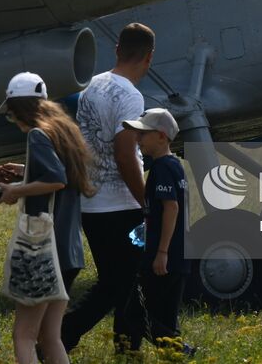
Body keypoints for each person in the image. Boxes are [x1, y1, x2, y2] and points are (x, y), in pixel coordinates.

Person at [61, 22, 155, 353]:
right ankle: (62, 336)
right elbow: (126, 153)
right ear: (149, 57)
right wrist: (146, 200)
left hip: (92, 203)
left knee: (126, 280)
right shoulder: (131, 96)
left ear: (117, 49)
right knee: (117, 283)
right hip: (122, 205)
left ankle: (128, 346)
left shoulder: (92, 87)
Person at [0, 71, 93, 364]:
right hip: (69, 252)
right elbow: (60, 176)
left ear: (20, 109)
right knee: (50, 337)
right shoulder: (62, 131)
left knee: (23, 336)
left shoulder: (38, 135)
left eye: (12, 115)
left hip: (43, 250)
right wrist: (25, 169)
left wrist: (15, 190)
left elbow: (55, 179)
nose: (14, 121)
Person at [121, 108, 192, 353]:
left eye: (143, 134)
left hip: (163, 257)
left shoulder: (161, 168)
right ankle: (174, 352)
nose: (138, 140)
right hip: (180, 257)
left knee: (135, 315)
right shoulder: (175, 166)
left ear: (161, 136)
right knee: (166, 319)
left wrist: (161, 252)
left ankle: (183, 351)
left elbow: (170, 208)